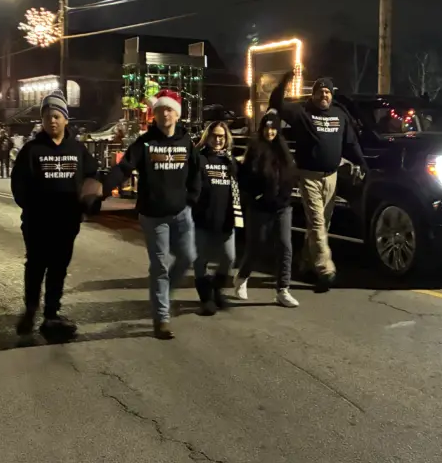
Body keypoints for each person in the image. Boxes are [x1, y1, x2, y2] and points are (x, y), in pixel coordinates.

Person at [104, 90, 200, 340]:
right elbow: (124, 167)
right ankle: (161, 319)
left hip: (181, 213)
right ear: (154, 115)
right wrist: (103, 189)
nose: (164, 114)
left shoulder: (186, 142)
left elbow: (196, 172)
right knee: (160, 267)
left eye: (169, 110)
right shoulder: (145, 143)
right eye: (160, 110)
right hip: (153, 216)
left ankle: (163, 295)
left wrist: (192, 199)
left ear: (177, 115)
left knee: (188, 257)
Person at [10, 91, 103, 340]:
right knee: (36, 265)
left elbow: (93, 175)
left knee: (58, 268)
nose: (52, 121)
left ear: (65, 119)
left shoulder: (78, 149)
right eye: (47, 117)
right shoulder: (31, 150)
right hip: (37, 223)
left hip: (67, 222)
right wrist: (33, 208)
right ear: (42, 120)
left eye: (57, 116)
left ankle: (51, 315)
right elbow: (19, 185)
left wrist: (91, 197)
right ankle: (31, 309)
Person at [268, 73, 366, 290]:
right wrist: (284, 83)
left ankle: (306, 263)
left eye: (327, 91)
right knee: (317, 222)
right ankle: (325, 269)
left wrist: (363, 165)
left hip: (331, 177)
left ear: (332, 95)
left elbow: (351, 143)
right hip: (309, 176)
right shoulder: (302, 113)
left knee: (322, 224)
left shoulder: (340, 115)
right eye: (320, 91)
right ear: (312, 95)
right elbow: (276, 103)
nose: (324, 95)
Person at [234, 109, 299, 307]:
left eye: (273, 128)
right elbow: (245, 179)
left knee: (285, 246)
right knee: (256, 246)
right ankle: (242, 277)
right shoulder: (255, 150)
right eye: (267, 128)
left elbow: (290, 175)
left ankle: (283, 290)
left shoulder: (283, 151)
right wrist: (257, 195)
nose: (270, 132)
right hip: (260, 207)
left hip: (282, 207)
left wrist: (285, 194)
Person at [192, 121, 237, 315]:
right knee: (200, 260)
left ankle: (217, 290)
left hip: (226, 219)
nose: (218, 140)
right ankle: (206, 299)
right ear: (207, 137)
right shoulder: (199, 159)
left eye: (222, 136)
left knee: (229, 258)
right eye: (214, 136)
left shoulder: (230, 161)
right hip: (201, 220)